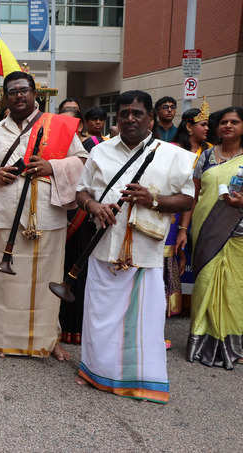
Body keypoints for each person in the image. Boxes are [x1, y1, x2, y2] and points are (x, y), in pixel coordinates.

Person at [76, 90, 195, 403]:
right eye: (125, 113)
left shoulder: (172, 155)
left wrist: (152, 200)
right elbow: (81, 192)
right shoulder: (100, 153)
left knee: (144, 320)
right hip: (104, 248)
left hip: (145, 251)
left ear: (150, 118)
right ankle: (96, 372)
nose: (130, 118)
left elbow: (187, 197)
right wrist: (93, 207)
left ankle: (140, 379)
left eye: (137, 113)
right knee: (99, 315)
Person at [0, 71, 87, 360]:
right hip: (5, 217)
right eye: (13, 92)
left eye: (24, 90)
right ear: (6, 98)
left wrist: (53, 167)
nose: (19, 96)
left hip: (47, 218)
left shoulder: (57, 126)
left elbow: (84, 161)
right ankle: (1, 339)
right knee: (5, 284)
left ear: (35, 93)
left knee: (45, 281)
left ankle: (48, 340)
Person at [186, 106, 243, 370]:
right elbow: (192, 197)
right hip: (206, 229)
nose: (228, 126)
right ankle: (200, 340)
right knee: (206, 281)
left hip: (238, 231)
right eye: (223, 122)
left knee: (234, 288)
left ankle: (232, 344)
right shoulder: (206, 156)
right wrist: (183, 230)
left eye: (235, 122)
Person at [59, 106, 109, 345]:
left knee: (80, 273)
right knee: (59, 269)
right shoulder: (54, 147)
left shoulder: (97, 148)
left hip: (84, 219)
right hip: (59, 214)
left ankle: (77, 325)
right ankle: (59, 322)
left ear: (79, 124)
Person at [173, 100, 213, 314]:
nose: (207, 129)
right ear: (189, 126)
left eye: (208, 125)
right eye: (203, 124)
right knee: (178, 254)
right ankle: (176, 302)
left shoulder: (212, 152)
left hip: (202, 211)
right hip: (176, 208)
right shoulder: (175, 150)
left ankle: (194, 302)